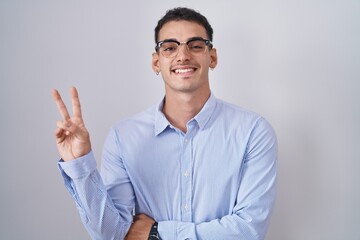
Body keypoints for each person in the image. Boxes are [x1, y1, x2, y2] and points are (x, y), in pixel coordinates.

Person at [52, 7, 277, 240]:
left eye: (196, 45)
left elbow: (249, 231)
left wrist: (157, 233)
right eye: (170, 47)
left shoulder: (253, 131)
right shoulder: (123, 137)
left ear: (212, 57)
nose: (183, 55)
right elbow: (111, 233)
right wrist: (80, 164)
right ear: (156, 62)